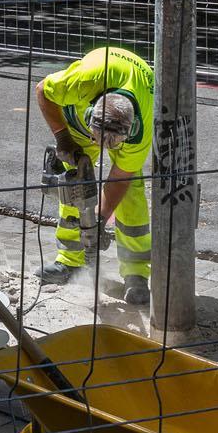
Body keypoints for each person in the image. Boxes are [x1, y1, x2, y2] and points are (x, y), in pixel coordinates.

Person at [35, 46, 155, 306]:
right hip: (79, 116)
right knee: (75, 181)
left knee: (131, 190)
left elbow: (118, 179)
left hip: (119, 100)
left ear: (128, 133)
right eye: (98, 140)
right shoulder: (81, 81)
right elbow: (42, 90)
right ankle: (70, 261)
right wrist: (63, 137)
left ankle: (136, 273)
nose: (100, 146)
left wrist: (98, 219)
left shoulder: (140, 131)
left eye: (111, 144)